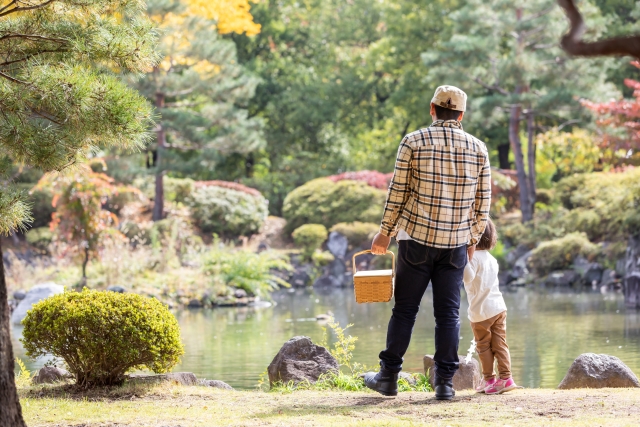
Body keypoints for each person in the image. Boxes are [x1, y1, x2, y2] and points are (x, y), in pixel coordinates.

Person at [364, 85, 491, 400]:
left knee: (405, 309)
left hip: (415, 240)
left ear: (432, 109)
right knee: (448, 313)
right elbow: (483, 203)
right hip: (456, 244)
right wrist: (473, 238)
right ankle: (445, 383)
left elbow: (398, 192)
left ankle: (389, 377)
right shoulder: (478, 148)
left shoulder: (413, 141)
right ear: (461, 115)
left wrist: (385, 232)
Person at [463, 218, 519, 394]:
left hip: (481, 312)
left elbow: (467, 278)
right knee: (500, 344)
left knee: (484, 346)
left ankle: (489, 379)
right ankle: (506, 378)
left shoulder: (472, 259)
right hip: (498, 307)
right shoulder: (492, 259)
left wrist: (463, 260)